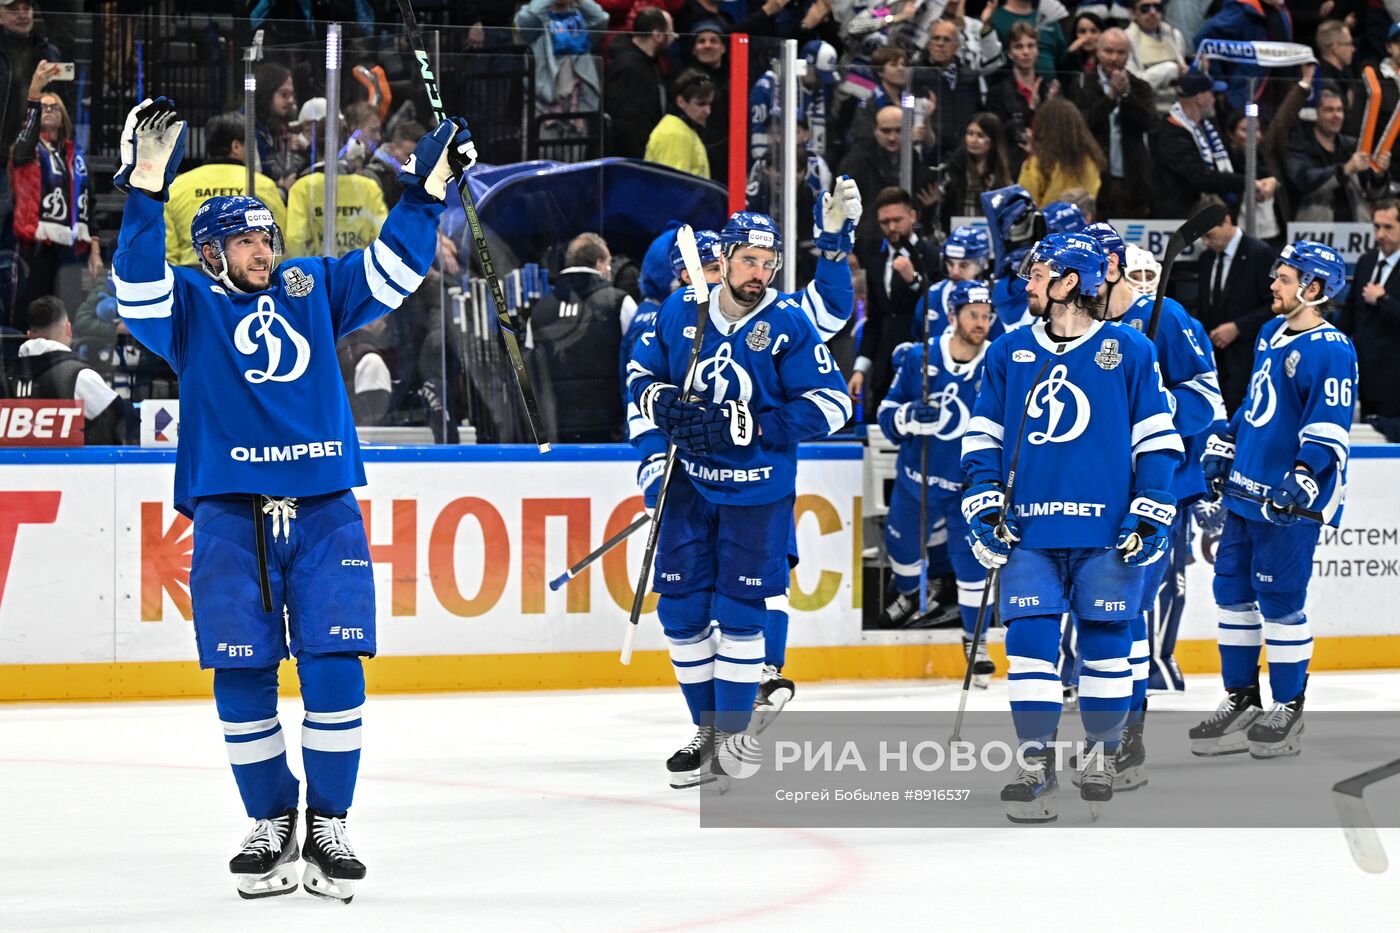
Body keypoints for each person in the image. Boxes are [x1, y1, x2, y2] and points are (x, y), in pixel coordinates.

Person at [110, 94, 475, 900]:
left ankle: (328, 823)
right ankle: (270, 817)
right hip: (228, 509)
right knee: (241, 670)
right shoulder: (187, 304)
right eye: (244, 239)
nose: (261, 249)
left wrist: (423, 196)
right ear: (211, 251)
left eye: (266, 236)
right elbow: (132, 294)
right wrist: (143, 190)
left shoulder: (311, 287)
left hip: (321, 503)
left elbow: (391, 273)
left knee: (336, 661)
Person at [960, 230, 1183, 822]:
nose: (1025, 284)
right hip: (1029, 532)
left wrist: (1152, 506)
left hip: (1105, 534)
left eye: (1037, 275)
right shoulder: (1009, 351)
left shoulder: (1131, 351)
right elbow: (982, 437)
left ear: (1068, 283)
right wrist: (983, 502)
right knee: (1031, 646)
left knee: (1107, 646)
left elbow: (1157, 441)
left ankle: (1102, 754)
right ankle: (1035, 764)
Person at [626, 210, 854, 788]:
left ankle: (732, 735)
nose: (759, 272)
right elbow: (638, 374)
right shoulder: (681, 310)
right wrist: (660, 402)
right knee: (679, 614)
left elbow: (833, 404)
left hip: (757, 492)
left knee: (739, 614)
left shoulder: (788, 323)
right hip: (688, 486)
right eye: (748, 260)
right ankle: (705, 730)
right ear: (722, 259)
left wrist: (757, 426)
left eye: (768, 262)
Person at [1191, 240, 1356, 760]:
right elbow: (1256, 404)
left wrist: (1306, 476)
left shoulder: (1331, 348)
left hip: (1289, 504)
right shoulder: (1269, 333)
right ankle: (1243, 699)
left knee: (1281, 603)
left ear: (1314, 289)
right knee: (1232, 597)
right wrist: (1226, 442)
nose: (1272, 286)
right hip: (1246, 494)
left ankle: (1288, 707)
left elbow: (1329, 424)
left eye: (1284, 279)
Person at [1074, 221, 1224, 789]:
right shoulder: (1085, 326)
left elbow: (1207, 398)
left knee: (1126, 611)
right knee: (1102, 613)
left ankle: (1126, 736)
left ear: (1108, 266)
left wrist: (1151, 410)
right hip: (1094, 493)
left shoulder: (1168, 319)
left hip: (1154, 491)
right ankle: (1111, 732)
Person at [875, 280, 992, 656]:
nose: (980, 322)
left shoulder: (997, 362)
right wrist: (907, 417)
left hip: (968, 490)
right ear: (952, 316)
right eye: (973, 314)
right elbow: (886, 412)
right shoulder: (919, 357)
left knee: (974, 569)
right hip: (916, 481)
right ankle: (910, 596)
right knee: (902, 549)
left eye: (986, 315)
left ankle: (976, 641)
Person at [9, 63, 98, 320]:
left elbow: (88, 205)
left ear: (63, 116)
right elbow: (24, 143)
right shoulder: (29, 149)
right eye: (43, 107)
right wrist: (34, 96)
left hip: (72, 246)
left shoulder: (76, 156)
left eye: (53, 107)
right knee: (34, 308)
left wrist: (94, 249)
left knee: (66, 311)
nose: (48, 111)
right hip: (35, 245)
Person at [527, 232, 634, 443]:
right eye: (609, 264)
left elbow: (531, 371)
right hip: (612, 430)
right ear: (600, 263)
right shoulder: (620, 303)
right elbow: (640, 361)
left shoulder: (539, 310)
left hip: (557, 431)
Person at [849, 186, 940, 422]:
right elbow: (875, 320)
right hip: (882, 373)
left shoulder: (932, 256)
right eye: (885, 222)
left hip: (923, 372)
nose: (891, 227)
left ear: (912, 216)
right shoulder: (876, 261)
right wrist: (860, 369)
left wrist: (914, 281)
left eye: (897, 220)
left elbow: (939, 310)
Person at [165, 112, 288, 268]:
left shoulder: (178, 186)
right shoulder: (262, 185)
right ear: (236, 146)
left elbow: (168, 251)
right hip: (249, 281)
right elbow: (280, 242)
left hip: (192, 281)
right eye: (250, 146)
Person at [1063, 27, 1157, 220]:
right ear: (1097, 51)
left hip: (1132, 180)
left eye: (1120, 52)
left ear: (1128, 55)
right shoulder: (1081, 84)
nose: (1114, 58)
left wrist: (1126, 96)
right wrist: (1111, 97)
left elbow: (1150, 122)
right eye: (1108, 51)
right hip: (1095, 180)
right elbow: (1083, 125)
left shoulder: (1140, 87)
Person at [4, 294, 124, 443]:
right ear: (68, 329)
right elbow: (124, 418)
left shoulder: (6, 379)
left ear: (29, 335)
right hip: (74, 465)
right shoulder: (79, 377)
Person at [1195, 197, 1278, 414]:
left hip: (1246, 360)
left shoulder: (1259, 254)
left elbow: (1275, 305)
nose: (1205, 242)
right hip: (1214, 364)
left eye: (1208, 235)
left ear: (1227, 221)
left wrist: (1238, 327)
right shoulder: (1206, 259)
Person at [1285, 83, 1388, 223]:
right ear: (1315, 113)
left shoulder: (1352, 145)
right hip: (1316, 229)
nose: (1336, 115)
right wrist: (1344, 170)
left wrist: (1378, 174)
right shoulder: (1299, 146)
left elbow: (1373, 194)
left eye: (1339, 110)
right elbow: (1303, 181)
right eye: (1329, 110)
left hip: (1355, 231)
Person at [1338, 197, 1400, 420]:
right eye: (1377, 227)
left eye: (1388, 227)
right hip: (1365, 378)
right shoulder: (1367, 260)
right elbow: (1351, 311)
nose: (1380, 234)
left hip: (1394, 381)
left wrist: (1383, 300)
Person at [603, 5, 671, 159]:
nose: (672, 38)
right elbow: (627, 124)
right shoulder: (629, 68)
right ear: (657, 35)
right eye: (669, 33)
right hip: (632, 160)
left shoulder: (649, 63)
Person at [985, 22, 1051, 175]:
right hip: (1011, 169)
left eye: (1031, 45)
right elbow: (1000, 136)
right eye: (1019, 47)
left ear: (1037, 50)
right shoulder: (997, 93)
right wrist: (1031, 109)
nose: (1026, 52)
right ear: (1009, 53)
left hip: (1045, 167)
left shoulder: (1048, 89)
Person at [1017, 97, 1105, 206]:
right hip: (1082, 220)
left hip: (1047, 221)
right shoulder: (1091, 161)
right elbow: (1091, 197)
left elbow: (1025, 202)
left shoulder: (1038, 163)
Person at [936, 112, 1014, 231]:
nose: (973, 140)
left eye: (980, 135)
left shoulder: (1001, 173)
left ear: (993, 141)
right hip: (956, 236)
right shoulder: (954, 168)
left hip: (992, 237)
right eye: (970, 134)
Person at [918, 223, 990, 338]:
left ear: (984, 262)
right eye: (950, 263)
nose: (955, 272)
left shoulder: (995, 299)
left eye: (964, 265)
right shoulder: (932, 296)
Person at [645, 69, 714, 179]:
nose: (707, 111)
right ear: (681, 102)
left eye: (709, 104)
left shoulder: (685, 130)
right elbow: (674, 187)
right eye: (701, 104)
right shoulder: (673, 134)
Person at [1126, 0, 1190, 111]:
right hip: (1146, 110)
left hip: (1177, 110)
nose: (1152, 12)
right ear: (1133, 12)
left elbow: (1182, 73)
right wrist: (1170, 68)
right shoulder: (1125, 40)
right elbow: (1135, 84)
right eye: (1145, 8)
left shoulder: (1175, 35)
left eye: (1157, 7)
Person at [361, 119, 424, 210]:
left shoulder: (425, 179)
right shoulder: (373, 177)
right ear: (392, 149)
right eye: (409, 156)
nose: (415, 162)